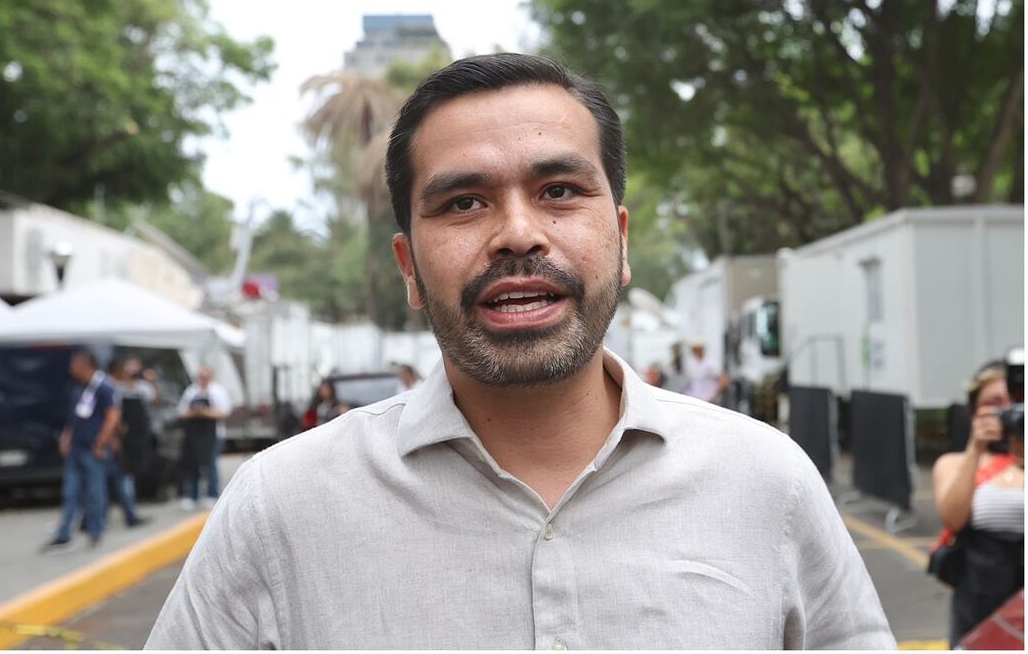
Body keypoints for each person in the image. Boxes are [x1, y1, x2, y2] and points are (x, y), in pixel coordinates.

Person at [147, 53, 893, 649]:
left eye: (560, 190)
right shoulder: (281, 508)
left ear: (622, 241)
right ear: (409, 267)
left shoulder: (766, 482)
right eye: (463, 202)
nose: (517, 233)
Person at [932, 362, 1024, 646]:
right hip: (980, 596)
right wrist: (975, 449)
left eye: (1015, 403)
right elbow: (953, 518)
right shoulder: (955, 463)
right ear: (974, 411)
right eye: (994, 404)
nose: (1007, 412)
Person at [44, 349, 120, 552]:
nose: (71, 369)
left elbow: (112, 416)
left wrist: (100, 443)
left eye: (75, 365)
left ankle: (95, 532)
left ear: (86, 365)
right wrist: (67, 437)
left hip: (92, 450)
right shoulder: (79, 388)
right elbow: (75, 417)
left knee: (95, 492)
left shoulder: (103, 387)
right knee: (70, 492)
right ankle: (64, 534)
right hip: (76, 449)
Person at [175, 366, 230, 511]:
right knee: (193, 465)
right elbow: (181, 412)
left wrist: (206, 412)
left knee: (211, 465)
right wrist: (194, 413)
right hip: (194, 435)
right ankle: (193, 496)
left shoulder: (217, 391)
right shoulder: (191, 391)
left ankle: (213, 495)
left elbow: (225, 412)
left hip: (213, 435)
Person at [105, 358, 151, 528]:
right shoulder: (112, 389)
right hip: (114, 444)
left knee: (121, 478)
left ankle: (129, 514)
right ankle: (129, 515)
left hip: (129, 442)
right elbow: (112, 416)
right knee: (115, 479)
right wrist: (114, 437)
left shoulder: (137, 388)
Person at [683, 339, 728, 403]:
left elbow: (723, 380)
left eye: (694, 350)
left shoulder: (711, 363)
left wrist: (712, 397)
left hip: (708, 402)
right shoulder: (697, 364)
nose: (693, 352)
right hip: (697, 401)